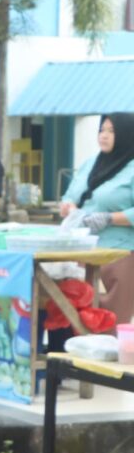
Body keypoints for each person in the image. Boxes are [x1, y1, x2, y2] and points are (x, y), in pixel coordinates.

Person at [60, 112, 134, 321]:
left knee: (111, 319)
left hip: (119, 254)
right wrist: (68, 207)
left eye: (112, 131)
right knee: (76, 315)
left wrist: (110, 218)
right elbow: (70, 195)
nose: (104, 135)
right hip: (82, 250)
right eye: (102, 130)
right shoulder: (91, 163)